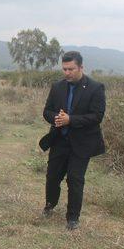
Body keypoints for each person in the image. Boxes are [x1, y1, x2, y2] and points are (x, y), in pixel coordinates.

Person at [39, 51, 106, 230]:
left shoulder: (95, 88)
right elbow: (47, 111)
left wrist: (71, 120)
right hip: (59, 140)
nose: (67, 73)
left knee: (75, 179)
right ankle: (50, 205)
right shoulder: (57, 86)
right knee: (52, 177)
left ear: (81, 67)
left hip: (82, 143)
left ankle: (72, 218)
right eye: (64, 69)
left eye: (71, 69)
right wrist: (57, 118)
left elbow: (97, 116)